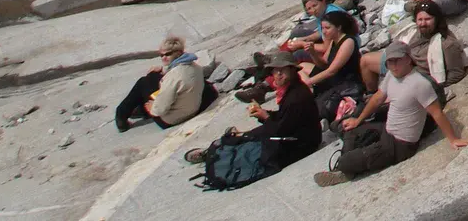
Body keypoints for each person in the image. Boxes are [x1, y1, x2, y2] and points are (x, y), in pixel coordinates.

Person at [313, 46, 468, 187]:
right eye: (389, 61)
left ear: (408, 59)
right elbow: (377, 98)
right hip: (387, 130)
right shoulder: (392, 75)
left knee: (346, 161)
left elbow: (437, 113)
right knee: (350, 130)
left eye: (397, 60)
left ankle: (345, 168)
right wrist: (357, 120)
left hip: (400, 145)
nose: (393, 65)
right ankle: (349, 164)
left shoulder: (419, 84)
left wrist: (453, 139)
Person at [190, 51, 322, 169]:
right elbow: (286, 119)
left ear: (293, 70)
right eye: (275, 71)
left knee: (251, 145)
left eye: (283, 70)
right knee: (254, 134)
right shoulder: (292, 90)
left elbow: (282, 129)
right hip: (301, 138)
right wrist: (264, 114)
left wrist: (266, 117)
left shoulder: (296, 96)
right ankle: (218, 148)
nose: (278, 74)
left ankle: (214, 153)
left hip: (302, 145)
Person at [114, 36, 217, 132]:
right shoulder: (195, 66)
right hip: (194, 107)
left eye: (168, 54)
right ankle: (140, 109)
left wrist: (152, 109)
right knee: (155, 76)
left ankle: (121, 117)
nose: (163, 58)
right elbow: (180, 74)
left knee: (144, 82)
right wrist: (163, 70)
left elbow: (160, 109)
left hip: (169, 120)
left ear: (178, 53)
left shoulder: (173, 77)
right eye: (161, 55)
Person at [360, 2, 468, 91]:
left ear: (437, 20)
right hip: (402, 62)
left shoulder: (447, 44)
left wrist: (432, 88)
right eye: (420, 20)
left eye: (428, 19)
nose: (423, 23)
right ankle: (371, 93)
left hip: (416, 77)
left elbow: (456, 73)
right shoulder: (414, 31)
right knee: (365, 60)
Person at [305, 10, 365, 120]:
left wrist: (307, 82)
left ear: (338, 27)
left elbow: (332, 70)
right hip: (335, 82)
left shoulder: (348, 42)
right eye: (322, 28)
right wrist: (312, 53)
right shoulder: (333, 41)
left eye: (327, 28)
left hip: (347, 85)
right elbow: (324, 64)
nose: (324, 32)